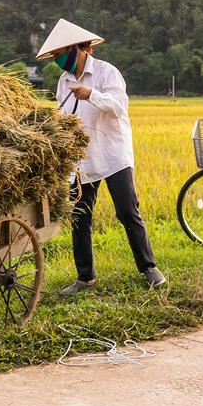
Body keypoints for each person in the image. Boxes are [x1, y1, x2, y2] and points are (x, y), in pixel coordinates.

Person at [35, 18, 166, 294]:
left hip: (112, 154)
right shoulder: (64, 80)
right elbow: (63, 115)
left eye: (61, 54)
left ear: (79, 48)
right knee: (80, 216)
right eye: (55, 56)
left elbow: (119, 107)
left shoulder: (107, 73)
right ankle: (85, 278)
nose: (59, 61)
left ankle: (149, 267)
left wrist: (91, 94)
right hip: (82, 160)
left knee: (128, 212)